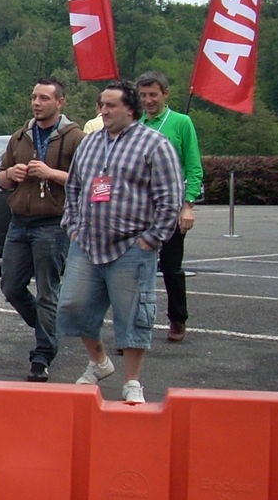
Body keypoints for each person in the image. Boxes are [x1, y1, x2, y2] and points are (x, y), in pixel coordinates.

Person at [58, 81, 183, 404]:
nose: (103, 111)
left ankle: (132, 381)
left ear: (130, 108)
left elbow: (170, 198)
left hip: (130, 246)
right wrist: (72, 226)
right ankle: (99, 362)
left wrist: (151, 239)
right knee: (73, 305)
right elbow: (73, 187)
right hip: (86, 243)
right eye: (101, 105)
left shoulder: (155, 144)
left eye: (110, 105)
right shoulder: (89, 144)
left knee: (133, 314)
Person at [0, 77, 83, 381]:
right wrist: (10, 174)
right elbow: (0, 179)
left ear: (60, 102)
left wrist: (52, 173)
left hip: (52, 224)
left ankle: (43, 354)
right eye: (34, 97)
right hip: (19, 221)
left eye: (44, 98)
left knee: (48, 292)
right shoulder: (20, 136)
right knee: (11, 287)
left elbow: (88, 182)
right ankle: (49, 328)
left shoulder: (75, 138)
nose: (36, 103)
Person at [137, 71, 203, 343]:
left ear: (165, 94)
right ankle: (136, 327)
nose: (148, 100)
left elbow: (194, 166)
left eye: (153, 94)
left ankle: (178, 319)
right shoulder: (136, 124)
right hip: (140, 209)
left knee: (171, 266)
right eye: (143, 96)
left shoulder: (180, 122)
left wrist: (188, 205)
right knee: (136, 268)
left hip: (171, 207)